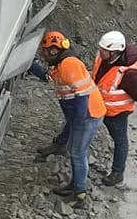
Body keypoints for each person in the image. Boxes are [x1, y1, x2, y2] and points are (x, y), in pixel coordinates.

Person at [37, 30, 105, 200]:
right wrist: (30, 66)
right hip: (83, 115)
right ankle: (74, 185)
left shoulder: (68, 64)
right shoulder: (60, 65)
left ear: (53, 50)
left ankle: (79, 193)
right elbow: (48, 77)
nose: (43, 54)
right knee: (74, 150)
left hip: (88, 115)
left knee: (78, 152)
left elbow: (82, 95)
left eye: (45, 51)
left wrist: (78, 122)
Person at [91, 30, 137, 186]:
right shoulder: (104, 58)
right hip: (97, 104)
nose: (99, 52)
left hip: (116, 113)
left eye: (103, 50)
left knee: (120, 141)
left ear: (114, 52)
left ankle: (117, 173)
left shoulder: (129, 74)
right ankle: (62, 143)